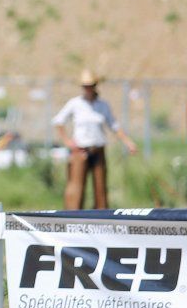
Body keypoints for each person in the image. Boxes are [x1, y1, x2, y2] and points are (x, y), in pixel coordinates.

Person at [52, 70, 138, 209]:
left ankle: (101, 220)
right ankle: (73, 218)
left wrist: (128, 142)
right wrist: (68, 141)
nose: (88, 88)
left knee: (101, 189)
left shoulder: (103, 105)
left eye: (90, 85)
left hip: (98, 150)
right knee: (76, 188)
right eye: (85, 85)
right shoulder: (75, 103)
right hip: (80, 151)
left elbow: (114, 126)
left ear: (95, 86)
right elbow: (58, 121)